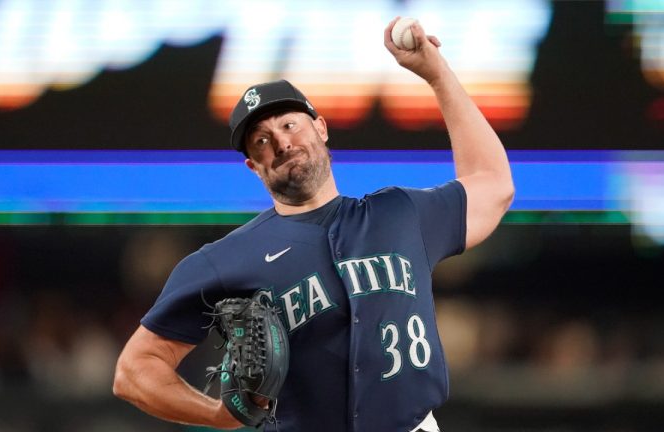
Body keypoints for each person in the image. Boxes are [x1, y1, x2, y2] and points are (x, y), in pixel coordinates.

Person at [113, 17, 514, 432]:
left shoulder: (400, 214)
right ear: (253, 166)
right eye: (262, 140)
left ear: (320, 128)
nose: (281, 142)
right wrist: (216, 415)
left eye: (289, 125)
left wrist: (437, 75)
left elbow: (494, 184)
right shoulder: (226, 259)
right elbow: (134, 370)